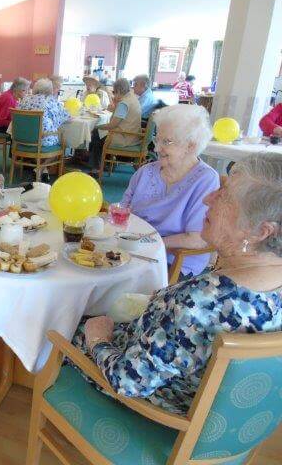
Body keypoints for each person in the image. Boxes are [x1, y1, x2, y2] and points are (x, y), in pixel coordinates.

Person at [71, 152, 282, 416]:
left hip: (157, 404)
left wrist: (98, 339)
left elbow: (127, 381)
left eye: (224, 195)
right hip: (214, 410)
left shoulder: (200, 302)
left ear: (261, 231)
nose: (208, 198)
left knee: (68, 317)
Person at [121, 104, 220, 278]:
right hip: (134, 249)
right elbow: (122, 212)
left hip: (172, 260)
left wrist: (148, 244)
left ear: (191, 146)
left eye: (166, 142)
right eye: (157, 139)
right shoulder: (146, 172)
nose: (157, 148)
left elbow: (196, 239)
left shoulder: (205, 180)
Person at [88, 78, 142, 174]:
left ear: (119, 90)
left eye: (114, 91)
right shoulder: (133, 98)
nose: (114, 94)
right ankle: (104, 164)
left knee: (97, 134)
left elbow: (112, 125)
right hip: (133, 135)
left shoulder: (124, 103)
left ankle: (96, 169)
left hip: (124, 138)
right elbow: (124, 116)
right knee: (101, 134)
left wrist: (96, 127)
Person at [18, 78, 69, 149]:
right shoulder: (50, 101)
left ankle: (34, 159)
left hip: (21, 138)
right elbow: (66, 117)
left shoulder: (25, 100)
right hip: (42, 140)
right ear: (50, 90)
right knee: (64, 139)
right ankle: (46, 159)